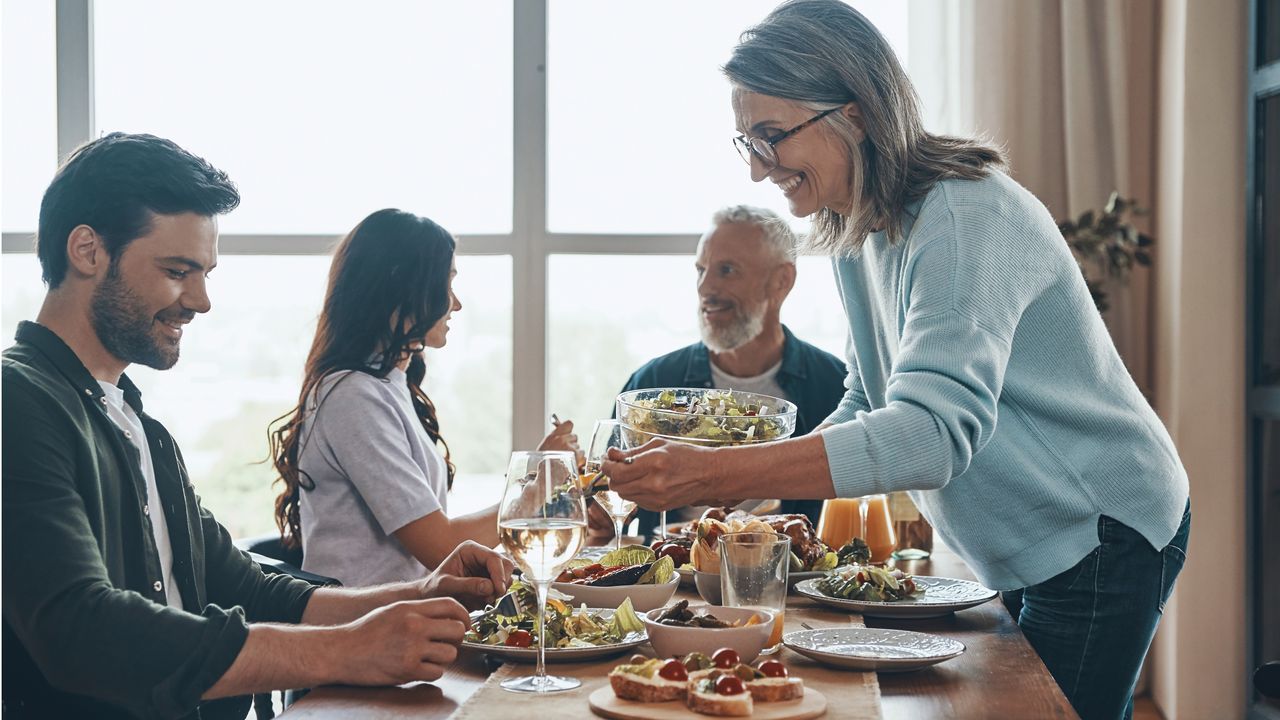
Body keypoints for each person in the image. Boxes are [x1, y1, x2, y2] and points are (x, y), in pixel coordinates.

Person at [602, 3, 1190, 719]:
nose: (759, 170)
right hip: (1024, 539)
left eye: (771, 137)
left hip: (1099, 524)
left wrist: (717, 470)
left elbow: (930, 436)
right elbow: (872, 398)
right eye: (745, 143)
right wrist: (742, 503)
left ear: (852, 113)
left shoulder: (963, 216)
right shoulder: (859, 227)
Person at [2, 132, 514, 720]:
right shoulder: (18, 401)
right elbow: (82, 632)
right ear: (87, 251)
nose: (200, 300)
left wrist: (420, 594)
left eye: (204, 274)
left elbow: (248, 588)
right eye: (176, 270)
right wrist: (348, 650)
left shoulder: (138, 426)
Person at [269, 209, 578, 587]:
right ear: (401, 289)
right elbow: (442, 547)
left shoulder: (387, 386)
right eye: (445, 285)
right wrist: (540, 487)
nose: (456, 304)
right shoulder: (353, 397)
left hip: (402, 616)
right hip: (366, 629)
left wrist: (536, 474)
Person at [617, 205, 846, 538]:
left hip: (795, 584)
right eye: (701, 270)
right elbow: (609, 512)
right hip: (674, 581)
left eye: (727, 270)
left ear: (781, 281)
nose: (705, 288)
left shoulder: (836, 387)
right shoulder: (651, 385)